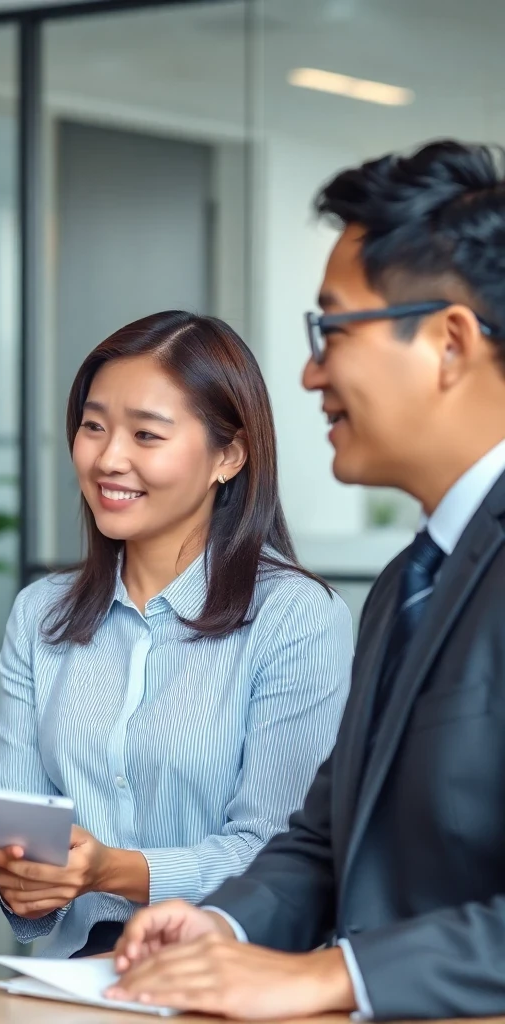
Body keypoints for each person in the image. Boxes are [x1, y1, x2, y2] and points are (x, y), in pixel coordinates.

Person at [108, 141, 505, 1021]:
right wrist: (222, 924)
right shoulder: (412, 578)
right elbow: (327, 840)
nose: (309, 373)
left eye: (333, 330)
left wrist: (336, 976)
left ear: (448, 342)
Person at [0, 311, 354, 958]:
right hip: (73, 974)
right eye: (92, 427)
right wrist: (21, 879)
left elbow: (280, 855)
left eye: (146, 435)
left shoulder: (297, 618)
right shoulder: (40, 614)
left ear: (229, 455)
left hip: (234, 970)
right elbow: (17, 837)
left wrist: (109, 870)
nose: (108, 458)